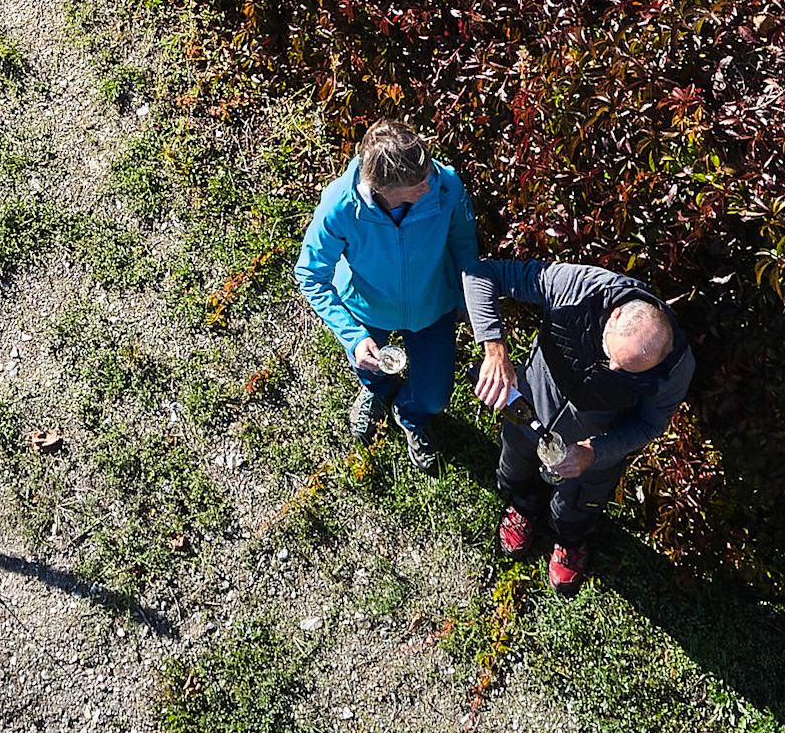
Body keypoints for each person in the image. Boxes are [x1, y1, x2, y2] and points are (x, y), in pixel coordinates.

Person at [463, 259, 692, 591]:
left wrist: (594, 451)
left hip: (592, 445)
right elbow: (482, 273)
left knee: (580, 500)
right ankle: (524, 505)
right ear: (614, 316)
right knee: (515, 461)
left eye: (628, 370)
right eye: (611, 354)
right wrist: (494, 348)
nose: (612, 368)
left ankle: (570, 541)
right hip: (529, 407)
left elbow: (648, 425)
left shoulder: (676, 368)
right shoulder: (577, 287)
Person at [294, 122, 496, 472]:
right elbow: (311, 274)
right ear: (382, 188)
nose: (430, 183)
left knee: (434, 397)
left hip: (433, 307)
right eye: (418, 183)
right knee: (368, 366)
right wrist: (353, 337)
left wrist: (469, 304)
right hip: (366, 308)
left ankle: (411, 412)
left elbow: (465, 250)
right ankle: (377, 388)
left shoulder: (446, 186)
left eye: (428, 172)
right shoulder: (340, 205)